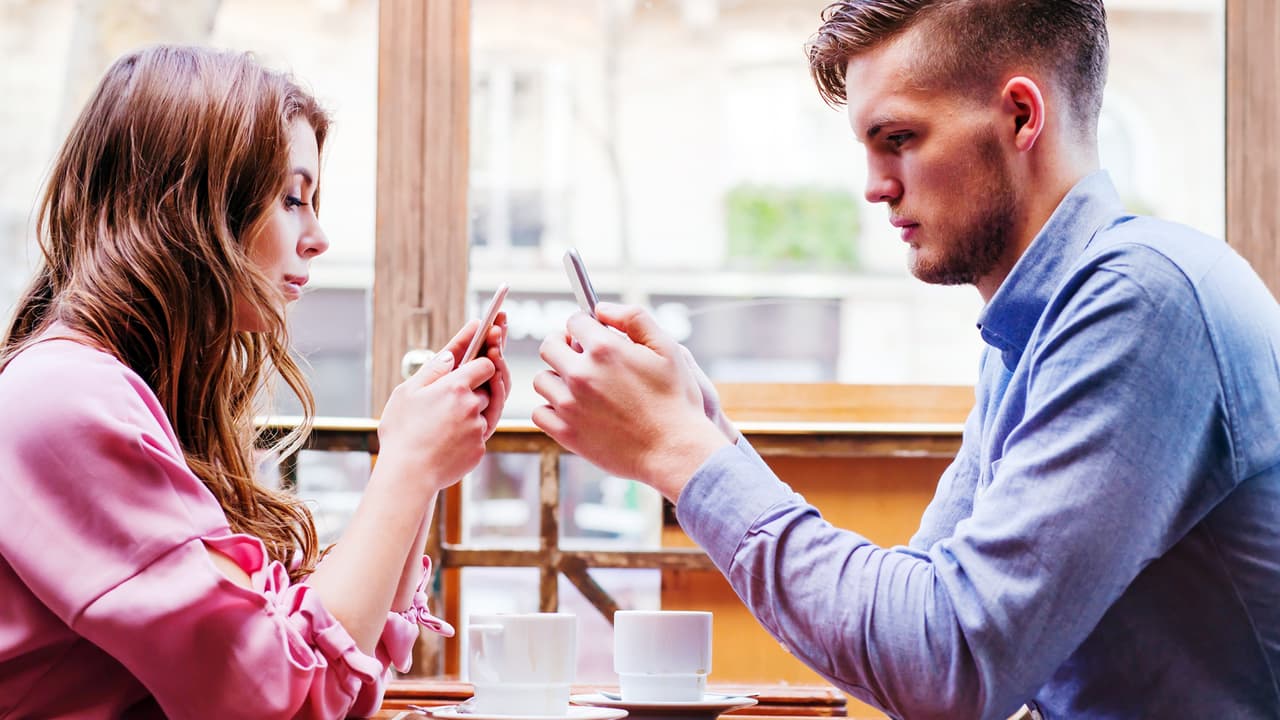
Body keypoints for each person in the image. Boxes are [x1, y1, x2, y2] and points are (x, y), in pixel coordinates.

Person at [532, 1, 1280, 718]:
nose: (874, 187)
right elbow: (917, 615)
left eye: (899, 138)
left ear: (1022, 116)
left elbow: (946, 663)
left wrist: (678, 452)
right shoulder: (1036, 327)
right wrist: (702, 429)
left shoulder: (1142, 301)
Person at [0, 45, 509, 718]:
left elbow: (331, 672)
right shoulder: (64, 399)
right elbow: (275, 697)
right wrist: (408, 466)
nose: (317, 236)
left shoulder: (105, 390)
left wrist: (418, 465)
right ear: (189, 204)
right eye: (292, 198)